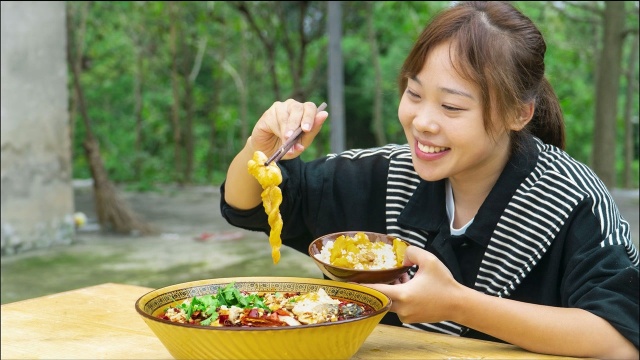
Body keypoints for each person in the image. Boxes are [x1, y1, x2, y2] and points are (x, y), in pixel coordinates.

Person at [220, 1, 639, 358]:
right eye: (414, 94)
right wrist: (259, 148)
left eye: (452, 107)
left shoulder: (572, 198)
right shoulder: (382, 172)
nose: (422, 122)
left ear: (519, 114)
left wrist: (457, 304)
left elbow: (620, 339)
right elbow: (249, 205)